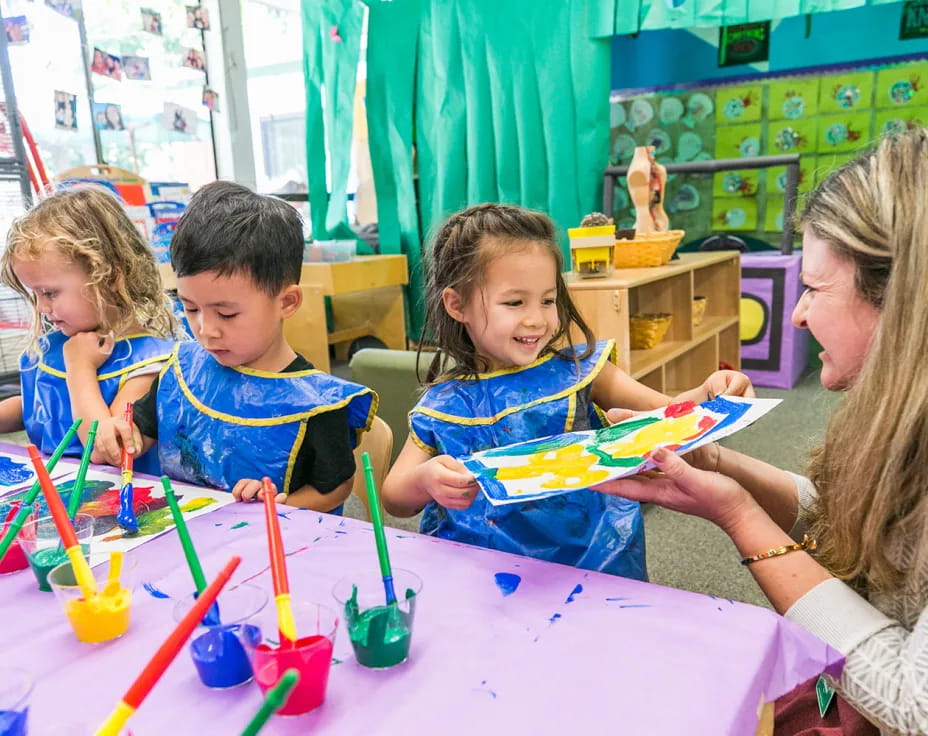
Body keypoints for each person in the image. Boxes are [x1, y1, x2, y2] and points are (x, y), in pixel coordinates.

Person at [595, 128, 928, 734]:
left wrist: (740, 517)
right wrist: (718, 467)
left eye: (814, 288)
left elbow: (913, 703)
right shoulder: (897, 417)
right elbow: (849, 519)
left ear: (899, 301)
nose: (797, 312)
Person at [380, 203, 754, 579]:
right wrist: (426, 479)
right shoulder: (445, 405)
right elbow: (395, 497)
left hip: (594, 555)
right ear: (457, 305)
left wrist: (709, 393)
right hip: (486, 570)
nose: (537, 319)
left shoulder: (580, 370)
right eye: (514, 302)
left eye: (547, 299)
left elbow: (668, 411)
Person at [95, 181, 376, 512]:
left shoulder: (315, 402)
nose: (206, 330)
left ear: (286, 302)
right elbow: (144, 431)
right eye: (191, 308)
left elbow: (337, 486)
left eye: (226, 313)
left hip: (277, 549)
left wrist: (280, 504)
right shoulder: (182, 372)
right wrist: (123, 436)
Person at [0, 188, 177, 474]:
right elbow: (39, 405)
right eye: (35, 295)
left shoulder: (148, 364)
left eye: (49, 293)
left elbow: (106, 448)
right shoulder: (62, 343)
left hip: (119, 506)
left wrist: (80, 367)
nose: (42, 307)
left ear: (107, 279)